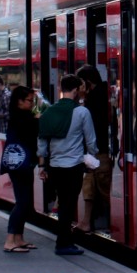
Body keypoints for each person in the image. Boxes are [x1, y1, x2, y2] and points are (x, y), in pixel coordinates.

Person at [37, 74, 98, 255]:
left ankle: (63, 240)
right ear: (75, 90)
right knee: (68, 205)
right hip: (73, 166)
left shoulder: (49, 112)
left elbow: (42, 141)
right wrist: (93, 158)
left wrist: (42, 165)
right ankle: (63, 243)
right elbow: (91, 140)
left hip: (55, 166)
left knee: (63, 203)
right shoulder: (81, 112)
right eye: (80, 88)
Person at [75, 64, 113, 233]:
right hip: (100, 150)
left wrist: (82, 97)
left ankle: (101, 221)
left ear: (87, 82)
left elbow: (84, 122)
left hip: (97, 151)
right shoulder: (107, 93)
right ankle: (87, 221)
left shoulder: (93, 99)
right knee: (90, 187)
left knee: (103, 189)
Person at [2, 85, 39, 253]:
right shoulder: (23, 119)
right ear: (19, 102)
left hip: (21, 162)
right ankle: (10, 240)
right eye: (29, 101)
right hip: (20, 164)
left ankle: (19, 237)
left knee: (25, 201)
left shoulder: (19, 117)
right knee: (22, 201)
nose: (32, 104)